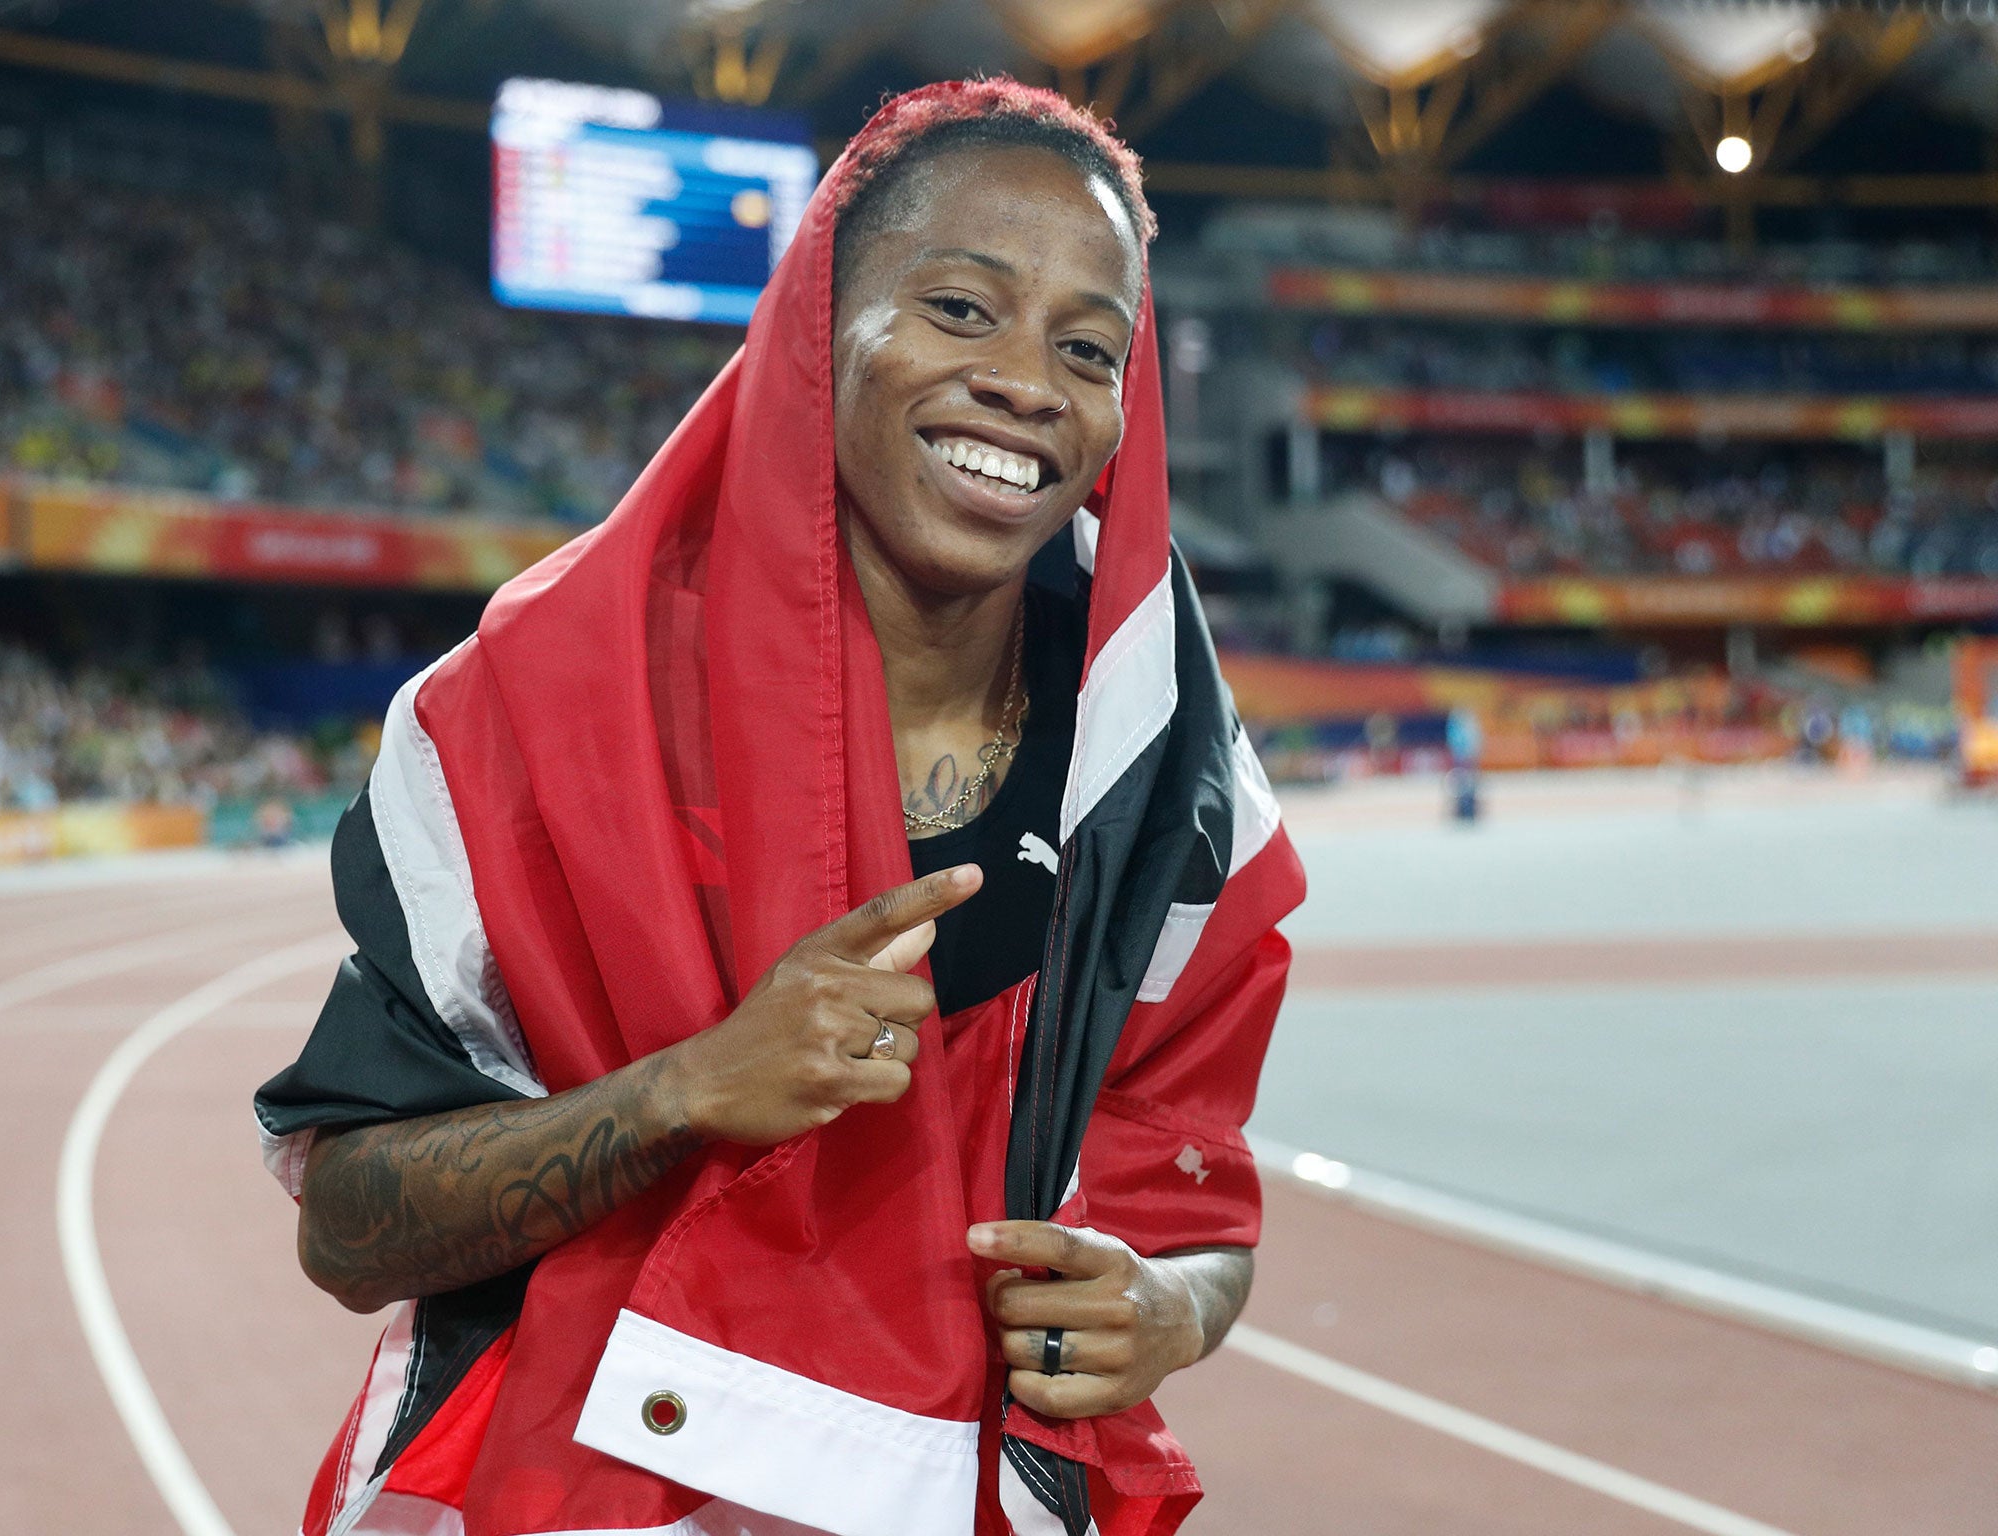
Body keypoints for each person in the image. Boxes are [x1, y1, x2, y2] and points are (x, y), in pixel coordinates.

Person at [255, 78, 1304, 1536]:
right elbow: (355, 1228)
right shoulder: (537, 706)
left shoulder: (1166, 757)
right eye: (958, 307)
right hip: (581, 1495)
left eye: (1088, 346)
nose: (1025, 380)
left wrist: (1168, 1309)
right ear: (818, 325)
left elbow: (1195, 1217)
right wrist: (684, 1089)